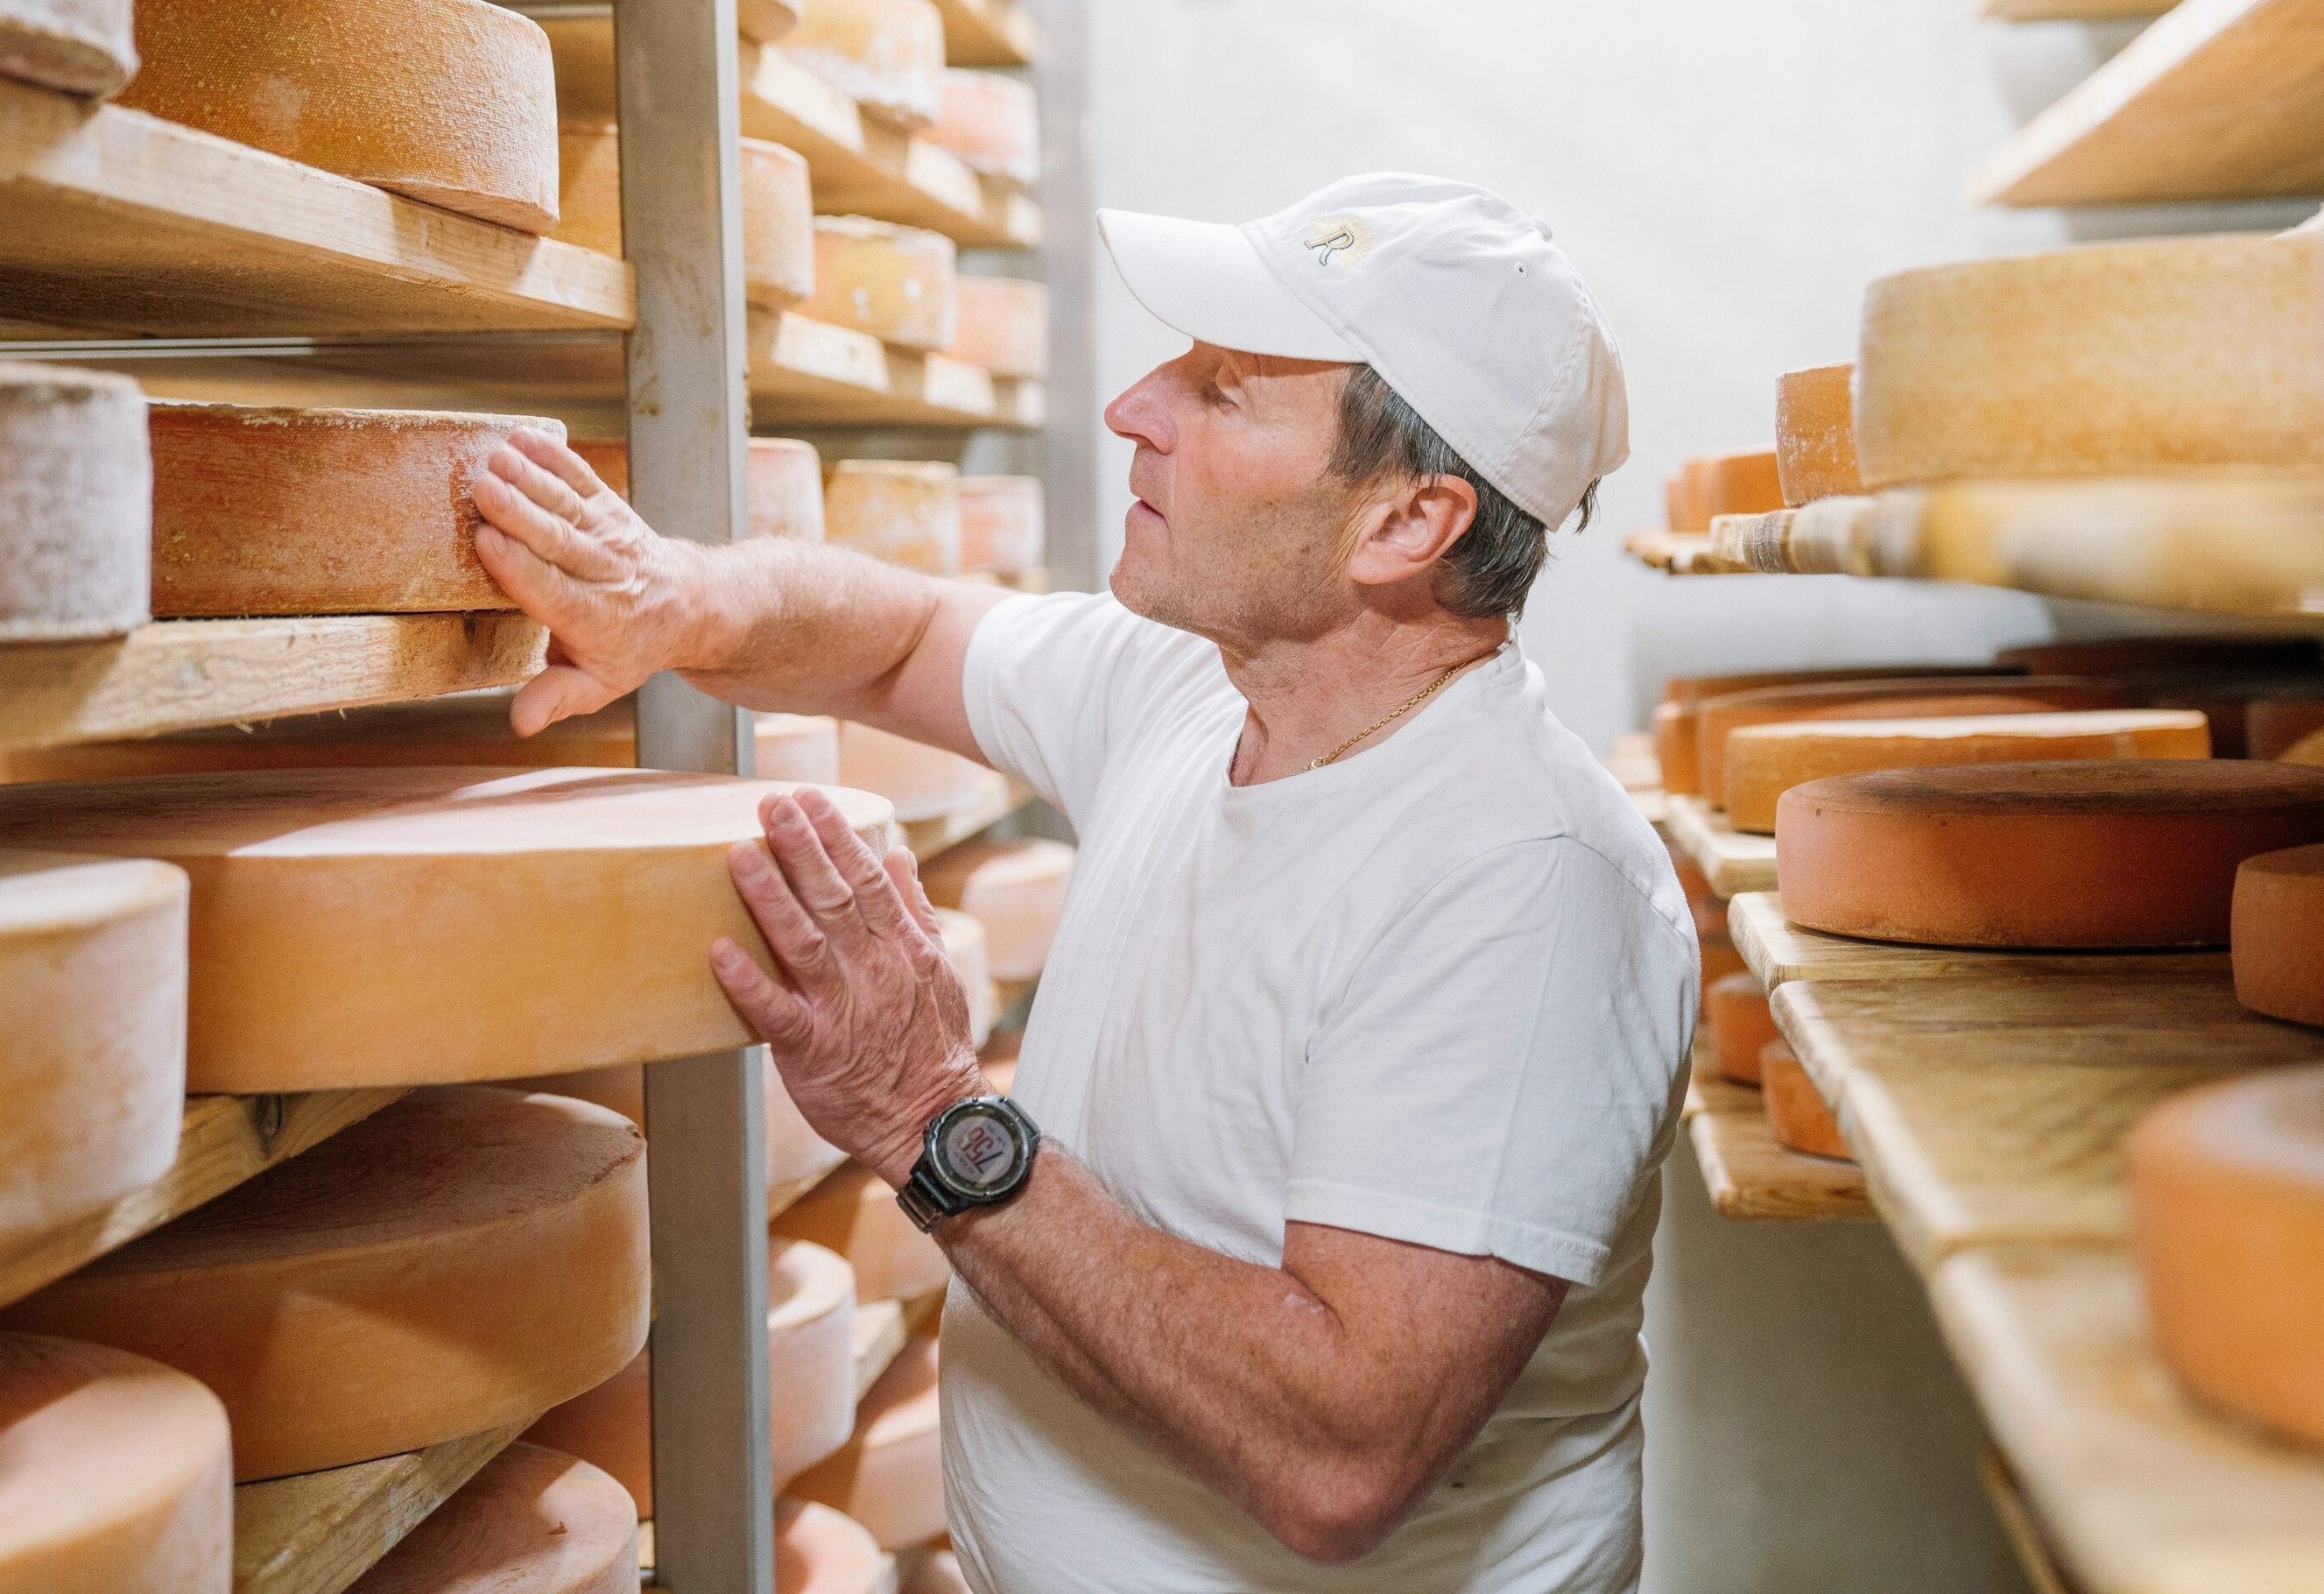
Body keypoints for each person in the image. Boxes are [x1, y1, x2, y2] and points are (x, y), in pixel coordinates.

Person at [472, 173, 1699, 1593]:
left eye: (1226, 388)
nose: (1137, 406)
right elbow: (900, 638)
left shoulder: (1522, 889)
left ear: (1405, 526)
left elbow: (1338, 1454)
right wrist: (682, 598)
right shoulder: (1199, 680)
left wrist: (929, 1115)